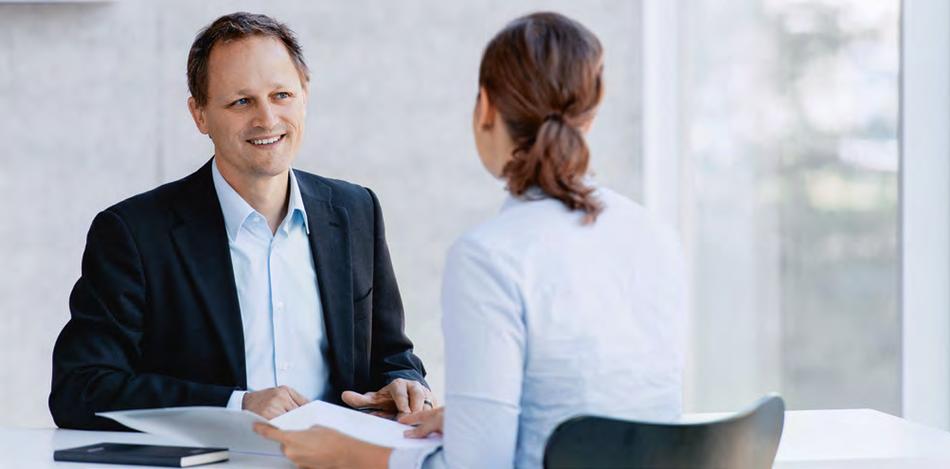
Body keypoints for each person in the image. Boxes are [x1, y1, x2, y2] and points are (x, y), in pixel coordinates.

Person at [256, 11, 686, 469]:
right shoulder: (654, 234)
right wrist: (471, 420)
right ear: (592, 116)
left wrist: (350, 454)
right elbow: (606, 405)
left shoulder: (490, 257)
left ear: (485, 108)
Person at [49, 12, 431, 431]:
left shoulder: (356, 211)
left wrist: (405, 384)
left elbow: (392, 355)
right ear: (200, 115)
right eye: (241, 101)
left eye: (281, 94)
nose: (267, 119)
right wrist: (236, 406)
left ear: (305, 94)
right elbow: (80, 389)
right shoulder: (134, 234)